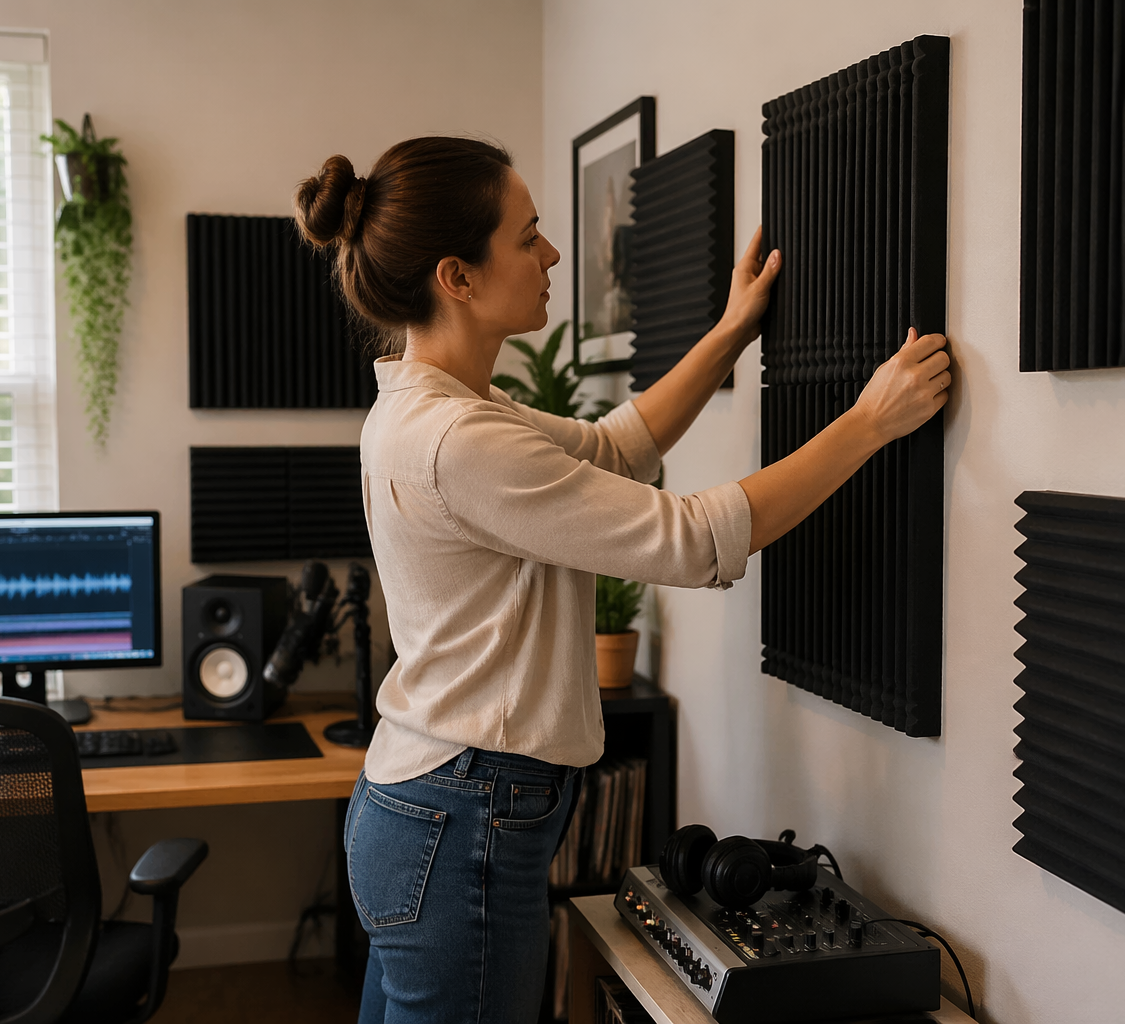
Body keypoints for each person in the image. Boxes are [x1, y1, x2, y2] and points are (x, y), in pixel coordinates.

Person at [294, 137, 950, 1024]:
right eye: (528, 237)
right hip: (462, 821)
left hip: (430, 811)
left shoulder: (440, 409)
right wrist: (868, 424)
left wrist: (728, 334)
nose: (552, 253)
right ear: (458, 275)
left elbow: (615, 449)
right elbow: (690, 538)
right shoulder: (457, 441)